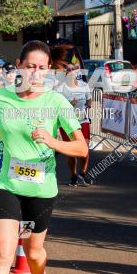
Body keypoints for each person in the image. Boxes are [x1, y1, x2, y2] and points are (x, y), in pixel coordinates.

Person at [0, 41, 88, 274]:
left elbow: (81, 147)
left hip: (40, 189)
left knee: (34, 251)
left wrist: (52, 142)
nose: (37, 73)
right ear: (19, 66)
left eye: (43, 68)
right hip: (4, 182)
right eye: (31, 67)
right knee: (2, 253)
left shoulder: (56, 102)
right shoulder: (1, 97)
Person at [52, 45, 93, 187]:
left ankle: (84, 173)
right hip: (67, 122)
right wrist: (69, 103)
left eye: (73, 69)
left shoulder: (83, 85)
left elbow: (89, 100)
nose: (70, 71)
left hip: (82, 120)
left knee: (85, 148)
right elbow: (56, 104)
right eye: (68, 69)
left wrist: (88, 105)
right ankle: (73, 175)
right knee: (70, 151)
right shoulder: (60, 88)